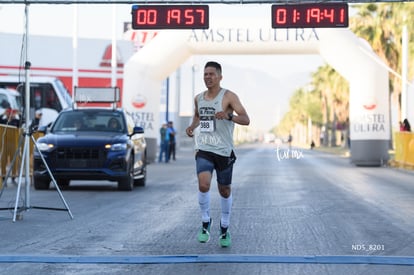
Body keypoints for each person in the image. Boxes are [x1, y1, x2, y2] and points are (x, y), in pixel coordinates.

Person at [186, 61, 250, 247]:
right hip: (204, 148)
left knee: (224, 190)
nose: (208, 77)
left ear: (220, 77)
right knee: (204, 184)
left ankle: (224, 226)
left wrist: (229, 116)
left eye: (212, 74)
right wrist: (192, 126)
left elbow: (246, 119)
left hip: (224, 150)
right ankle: (205, 222)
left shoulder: (229, 96)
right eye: (205, 74)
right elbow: (198, 116)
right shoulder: (198, 98)